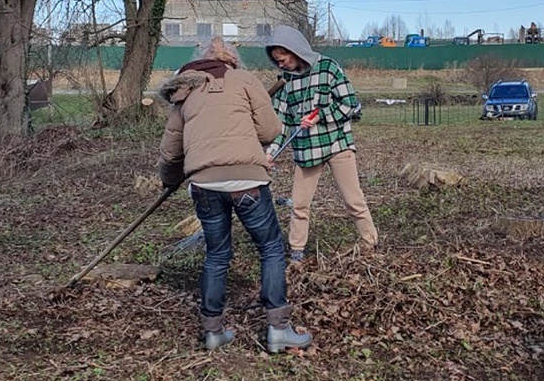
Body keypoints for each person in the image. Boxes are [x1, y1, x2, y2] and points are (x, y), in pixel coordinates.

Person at [157, 37, 313, 353]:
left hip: (204, 184)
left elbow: (171, 149)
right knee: (269, 248)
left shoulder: (185, 91)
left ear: (199, 62)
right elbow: (270, 131)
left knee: (217, 254)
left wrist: (170, 181)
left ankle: (213, 332)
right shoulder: (244, 80)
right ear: (232, 61)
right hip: (247, 180)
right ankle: (279, 329)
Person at [265, 25, 378, 262]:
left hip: (337, 143)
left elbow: (349, 104)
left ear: (294, 51)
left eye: (283, 59)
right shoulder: (285, 82)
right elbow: (281, 123)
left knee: (353, 200)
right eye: (277, 61)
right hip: (306, 150)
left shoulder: (327, 68)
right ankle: (296, 253)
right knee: (299, 204)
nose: (281, 65)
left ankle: (370, 244)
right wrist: (271, 152)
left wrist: (320, 116)